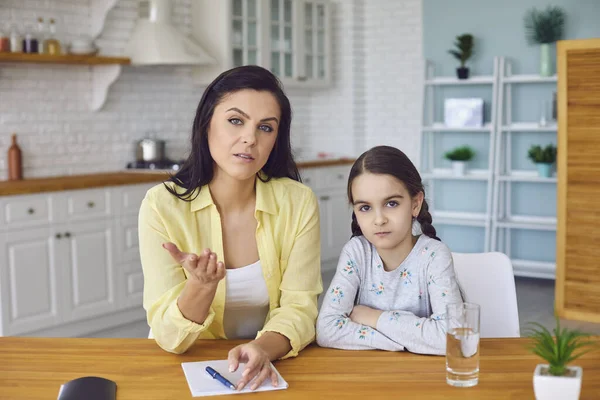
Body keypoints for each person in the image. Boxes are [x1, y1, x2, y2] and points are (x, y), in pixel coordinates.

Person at [138, 65, 322, 391]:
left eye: (266, 127)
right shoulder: (161, 205)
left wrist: (262, 349)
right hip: (182, 368)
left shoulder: (298, 202)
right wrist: (200, 288)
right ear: (206, 123)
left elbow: (301, 308)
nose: (250, 138)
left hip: (266, 364)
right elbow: (169, 338)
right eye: (236, 121)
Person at [316, 145, 463, 355]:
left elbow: (452, 338)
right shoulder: (356, 253)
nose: (379, 220)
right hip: (369, 377)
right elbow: (326, 330)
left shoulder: (434, 255)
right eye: (365, 208)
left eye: (391, 203)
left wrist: (373, 318)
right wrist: (403, 342)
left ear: (415, 203)